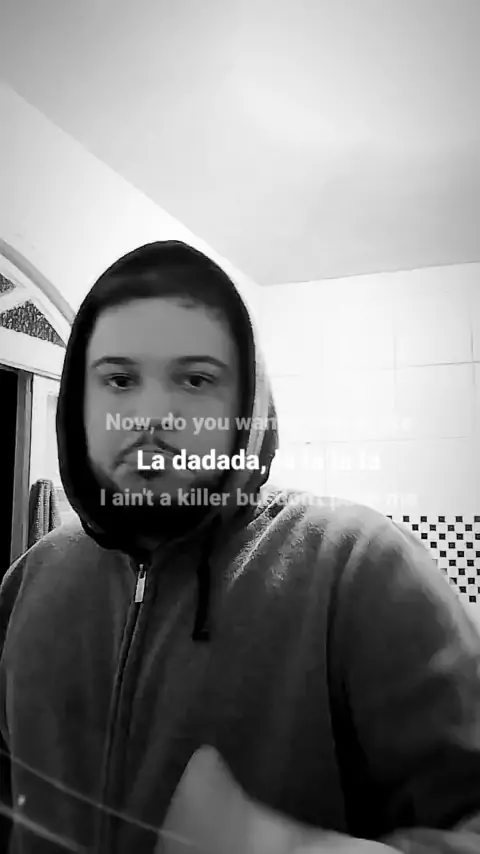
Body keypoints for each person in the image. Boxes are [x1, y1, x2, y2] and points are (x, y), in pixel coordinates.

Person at [1, 240, 480, 854]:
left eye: (195, 379)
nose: (152, 416)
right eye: (119, 379)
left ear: (245, 404)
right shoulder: (32, 578)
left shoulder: (360, 566)